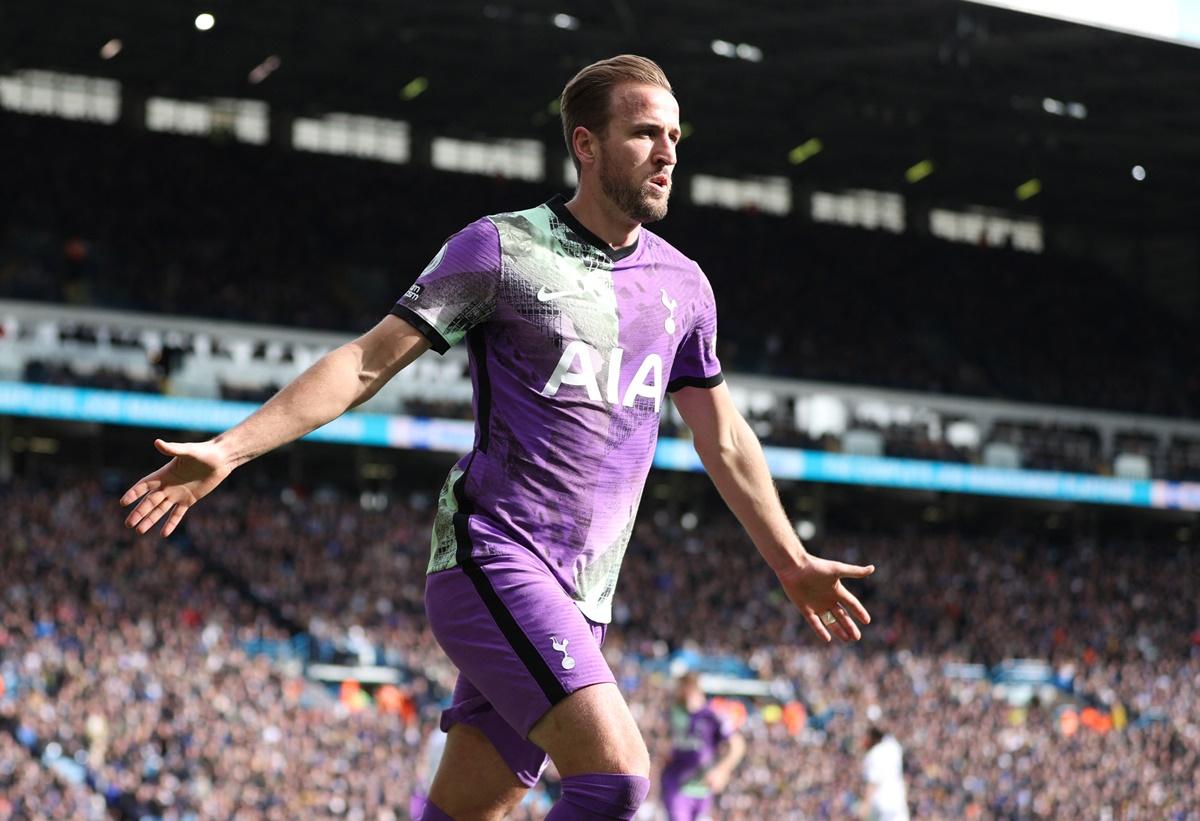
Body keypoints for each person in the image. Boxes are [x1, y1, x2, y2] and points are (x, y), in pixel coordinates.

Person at [120, 54, 875, 820]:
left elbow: (725, 438)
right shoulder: (501, 250)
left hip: (583, 595)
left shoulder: (685, 286)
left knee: (466, 813)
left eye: (675, 135)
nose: (668, 152)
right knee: (615, 777)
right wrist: (231, 447)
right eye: (645, 133)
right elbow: (363, 362)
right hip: (493, 559)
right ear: (586, 144)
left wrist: (789, 559)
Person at [660, 672, 746, 820]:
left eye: (683, 688)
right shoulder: (673, 711)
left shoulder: (713, 716)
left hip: (702, 787)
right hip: (677, 784)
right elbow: (666, 741)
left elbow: (737, 745)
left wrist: (722, 770)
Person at [860, 726, 909, 821]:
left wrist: (866, 805)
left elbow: (873, 783)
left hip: (882, 805)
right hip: (899, 801)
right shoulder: (894, 748)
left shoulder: (873, 754)